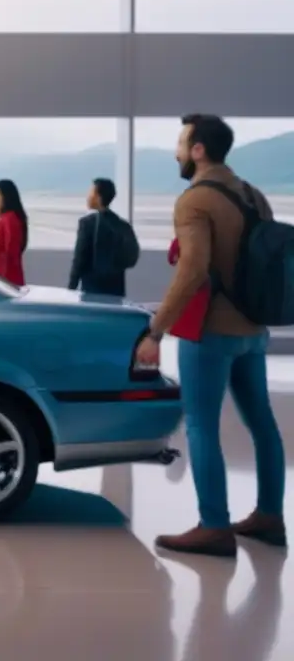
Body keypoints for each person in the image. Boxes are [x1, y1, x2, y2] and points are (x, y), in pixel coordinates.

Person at [136, 114, 285, 557]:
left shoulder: (195, 200)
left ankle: (214, 525)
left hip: (211, 332)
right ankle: (270, 515)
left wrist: (155, 330)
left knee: (201, 425)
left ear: (199, 149)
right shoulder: (253, 195)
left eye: (182, 144)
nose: (178, 152)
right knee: (262, 425)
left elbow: (193, 270)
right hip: (252, 329)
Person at [67, 178, 139, 297]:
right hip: (117, 291)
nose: (88, 197)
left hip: (91, 291)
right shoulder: (122, 225)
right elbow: (132, 257)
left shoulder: (87, 223)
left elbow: (79, 260)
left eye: (91, 193)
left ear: (98, 197)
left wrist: (71, 289)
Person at [0, 179, 27, 286]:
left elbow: (11, 254)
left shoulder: (9, 220)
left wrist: (5, 283)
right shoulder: (3, 220)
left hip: (4, 280)